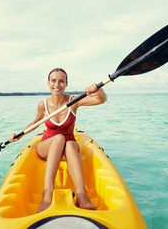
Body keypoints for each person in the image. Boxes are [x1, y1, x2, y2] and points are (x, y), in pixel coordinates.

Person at [9, 68, 107, 213]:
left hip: (68, 149)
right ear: (48, 83)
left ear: (66, 84)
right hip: (47, 148)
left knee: (69, 144)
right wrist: (18, 135)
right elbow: (35, 123)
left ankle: (82, 195)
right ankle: (47, 192)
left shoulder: (74, 101)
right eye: (53, 80)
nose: (57, 84)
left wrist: (98, 90)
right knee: (59, 138)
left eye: (61, 81)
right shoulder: (43, 105)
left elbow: (101, 100)